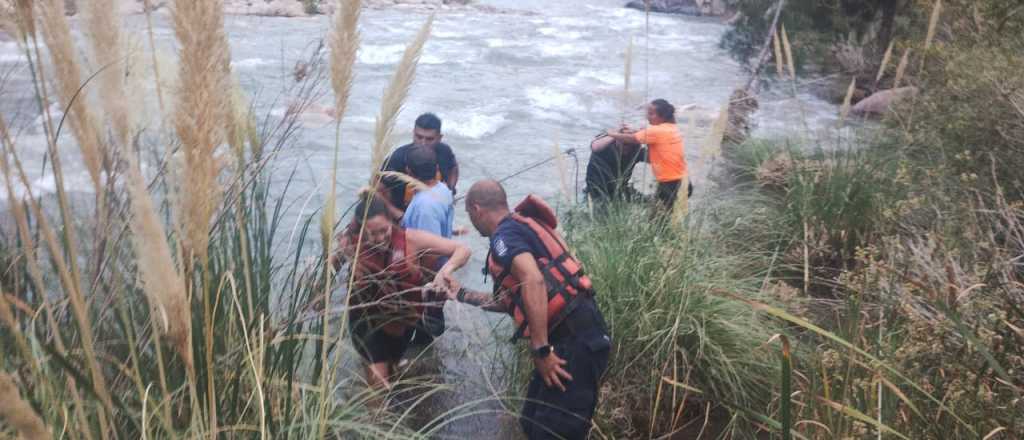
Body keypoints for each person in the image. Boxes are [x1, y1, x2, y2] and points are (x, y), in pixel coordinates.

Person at [442, 180, 611, 440]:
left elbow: (534, 281)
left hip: (575, 343)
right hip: (577, 335)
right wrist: (461, 294)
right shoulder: (521, 227)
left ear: (476, 209)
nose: (472, 223)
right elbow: (513, 301)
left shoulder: (504, 236)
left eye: (469, 214)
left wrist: (540, 350)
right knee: (531, 421)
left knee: (554, 433)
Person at [330, 193, 470, 388]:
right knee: (379, 384)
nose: (380, 238)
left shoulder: (411, 239)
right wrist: (319, 294)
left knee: (392, 370)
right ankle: (376, 415)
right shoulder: (350, 244)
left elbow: (462, 250)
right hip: (366, 320)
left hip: (402, 322)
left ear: (391, 223)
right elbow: (329, 271)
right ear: (362, 230)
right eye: (372, 234)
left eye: (384, 230)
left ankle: (391, 395)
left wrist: (444, 272)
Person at [400, 146, 456, 344]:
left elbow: (430, 253)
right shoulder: (442, 189)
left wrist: (421, 285)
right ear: (436, 169)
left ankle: (411, 366)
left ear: (409, 172)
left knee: (410, 328)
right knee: (419, 330)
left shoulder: (425, 206)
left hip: (426, 278)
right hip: (438, 271)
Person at [605, 99, 689, 215]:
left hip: (670, 185)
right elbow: (645, 133)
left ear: (662, 116)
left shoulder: (656, 131)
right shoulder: (671, 127)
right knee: (667, 219)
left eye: (651, 114)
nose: (647, 117)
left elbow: (633, 139)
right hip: (683, 182)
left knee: (657, 223)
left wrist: (611, 134)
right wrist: (632, 131)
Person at [378, 113, 459, 220]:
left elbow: (454, 167)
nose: (423, 143)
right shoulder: (398, 158)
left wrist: (451, 189)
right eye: (419, 137)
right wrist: (399, 215)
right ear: (413, 133)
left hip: (433, 214)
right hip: (402, 221)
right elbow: (376, 191)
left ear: (439, 138)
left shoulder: (444, 151)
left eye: (429, 139)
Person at [585, 130, 645, 204]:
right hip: (596, 191)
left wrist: (645, 134)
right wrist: (615, 133)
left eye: (630, 143)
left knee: (644, 200)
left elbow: (655, 156)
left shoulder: (635, 150)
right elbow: (594, 147)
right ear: (616, 140)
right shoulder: (605, 148)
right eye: (624, 143)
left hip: (619, 190)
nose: (627, 147)